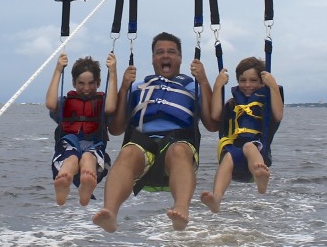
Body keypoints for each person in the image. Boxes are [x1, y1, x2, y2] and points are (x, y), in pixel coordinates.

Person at [92, 32, 215, 232]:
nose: (165, 56)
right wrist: (123, 88)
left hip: (179, 143)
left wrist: (204, 81)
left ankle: (181, 209)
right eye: (160, 52)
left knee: (178, 151)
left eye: (171, 52)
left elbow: (212, 124)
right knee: (127, 152)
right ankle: (110, 212)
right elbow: (115, 129)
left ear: (180, 58)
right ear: (152, 59)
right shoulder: (138, 87)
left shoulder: (193, 86)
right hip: (142, 146)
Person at [201, 56, 284, 213]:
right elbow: (216, 115)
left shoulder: (266, 102)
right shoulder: (233, 104)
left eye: (253, 80)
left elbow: (278, 115)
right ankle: (216, 198)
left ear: (261, 83)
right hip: (236, 152)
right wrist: (218, 86)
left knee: (248, 146)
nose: (247, 85)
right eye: (242, 80)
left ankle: (261, 177)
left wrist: (273, 87)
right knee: (227, 158)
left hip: (259, 151)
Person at [44, 52, 120, 206]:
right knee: (71, 157)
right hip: (69, 143)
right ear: (73, 83)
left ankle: (87, 180)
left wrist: (113, 73)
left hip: (94, 145)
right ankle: (64, 179)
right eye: (81, 83)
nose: (86, 88)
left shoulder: (103, 102)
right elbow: (50, 104)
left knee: (88, 158)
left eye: (91, 83)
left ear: (98, 83)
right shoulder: (65, 103)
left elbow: (112, 107)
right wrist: (58, 69)